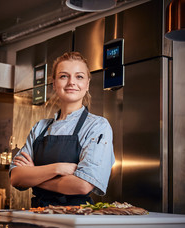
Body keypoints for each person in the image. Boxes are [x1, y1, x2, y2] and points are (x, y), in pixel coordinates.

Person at [9, 52, 115, 207]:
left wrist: (34, 175)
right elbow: (16, 177)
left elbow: (82, 185)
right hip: (37, 215)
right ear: (54, 84)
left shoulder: (97, 126)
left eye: (79, 77)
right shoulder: (40, 128)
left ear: (87, 85)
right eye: (64, 76)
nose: (71, 82)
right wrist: (58, 168)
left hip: (76, 218)